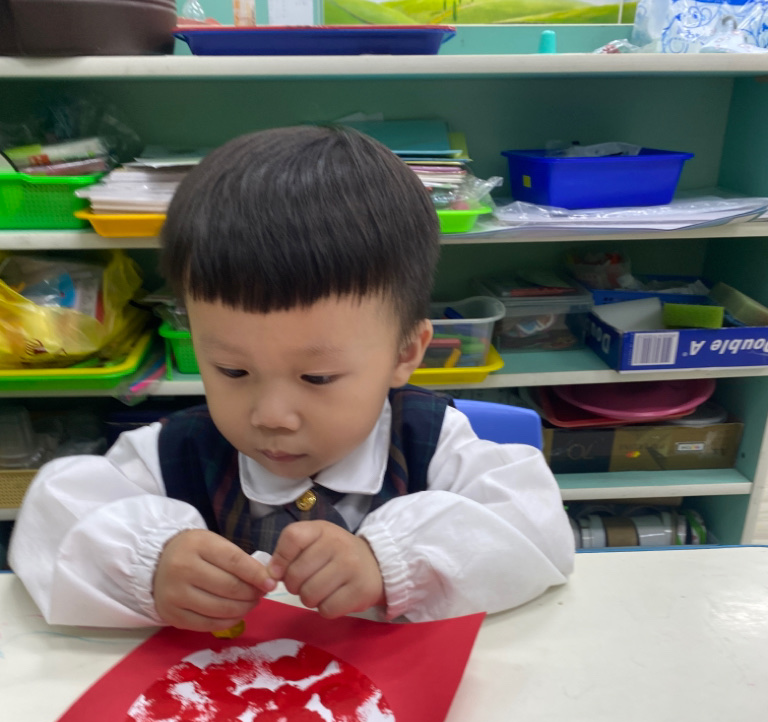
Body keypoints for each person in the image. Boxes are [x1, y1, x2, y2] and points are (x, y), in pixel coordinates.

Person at [9, 126, 574, 630]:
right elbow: (52, 522)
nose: (270, 416)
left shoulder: (431, 442)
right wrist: (148, 566)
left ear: (405, 353)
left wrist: (392, 562)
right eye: (232, 370)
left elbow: (536, 527)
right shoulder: (174, 454)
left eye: (318, 377)